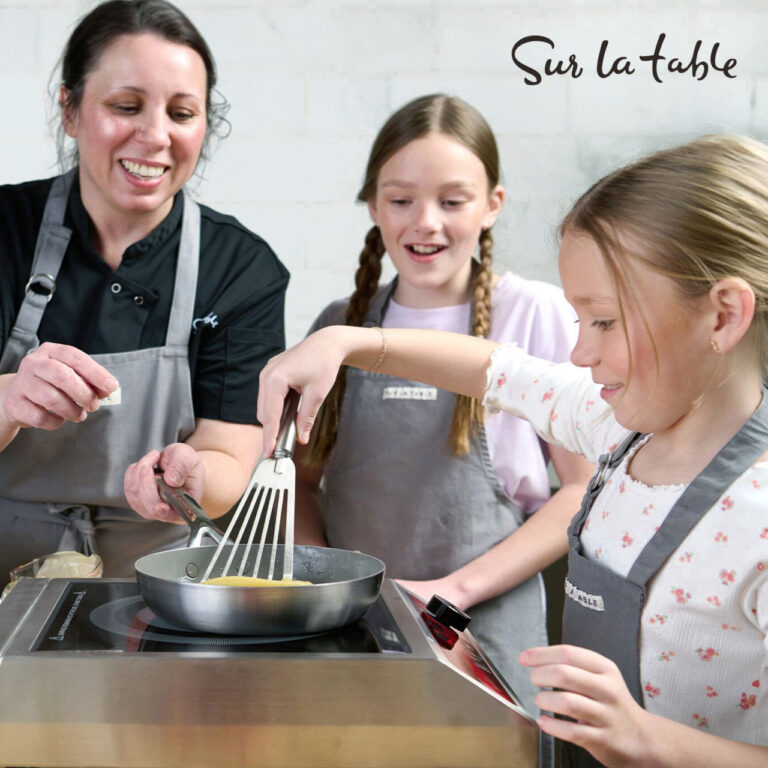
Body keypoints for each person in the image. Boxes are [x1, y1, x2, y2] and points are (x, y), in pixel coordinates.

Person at [257, 134, 768, 767]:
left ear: (722, 316)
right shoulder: (614, 425)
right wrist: (345, 342)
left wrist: (645, 739)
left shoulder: (756, 515)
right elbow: (496, 369)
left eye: (604, 321)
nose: (579, 353)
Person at [293, 93, 593, 724]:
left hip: (487, 633)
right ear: (373, 205)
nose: (424, 221)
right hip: (356, 631)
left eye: (452, 201)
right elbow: (300, 480)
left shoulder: (533, 314)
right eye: (401, 200)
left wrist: (449, 595)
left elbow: (581, 491)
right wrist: (321, 579)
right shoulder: (338, 327)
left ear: (493, 207)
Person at [0, 0, 288, 586]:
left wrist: (193, 476)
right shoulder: (4, 229)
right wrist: (8, 401)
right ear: (71, 110)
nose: (155, 136)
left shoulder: (241, 268)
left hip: (157, 589)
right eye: (125, 106)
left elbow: (231, 452)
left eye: (182, 113)